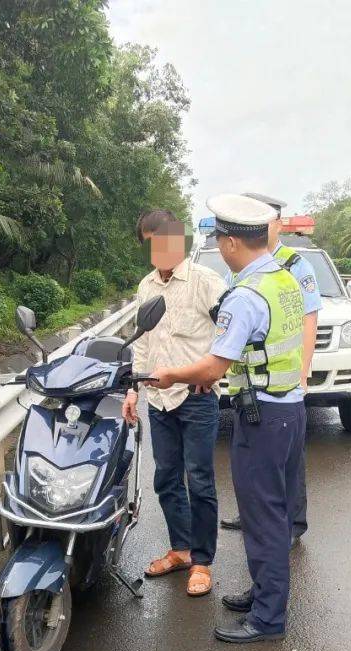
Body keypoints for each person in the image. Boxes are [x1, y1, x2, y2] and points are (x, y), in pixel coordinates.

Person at [147, 194, 305, 643]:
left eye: (220, 240)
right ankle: (262, 594)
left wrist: (171, 374)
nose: (219, 248)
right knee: (269, 513)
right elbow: (256, 348)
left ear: (232, 242)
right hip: (288, 409)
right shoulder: (283, 280)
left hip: (263, 419)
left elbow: (214, 367)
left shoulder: (245, 297)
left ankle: (268, 619)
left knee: (263, 518)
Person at [123, 210, 228, 597]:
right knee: (166, 477)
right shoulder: (146, 287)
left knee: (199, 480)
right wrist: (133, 389)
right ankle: (181, 550)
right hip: (159, 399)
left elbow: (230, 335)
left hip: (196, 397)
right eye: (151, 243)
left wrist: (212, 375)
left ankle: (202, 562)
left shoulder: (206, 282)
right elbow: (142, 344)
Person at [219, 192, 321, 543]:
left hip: (282, 384)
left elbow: (308, 321)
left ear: (276, 225)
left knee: (287, 464)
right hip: (251, 386)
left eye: (264, 221)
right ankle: (257, 517)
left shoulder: (293, 265)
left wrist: (302, 373)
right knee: (260, 471)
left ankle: (292, 524)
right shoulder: (244, 269)